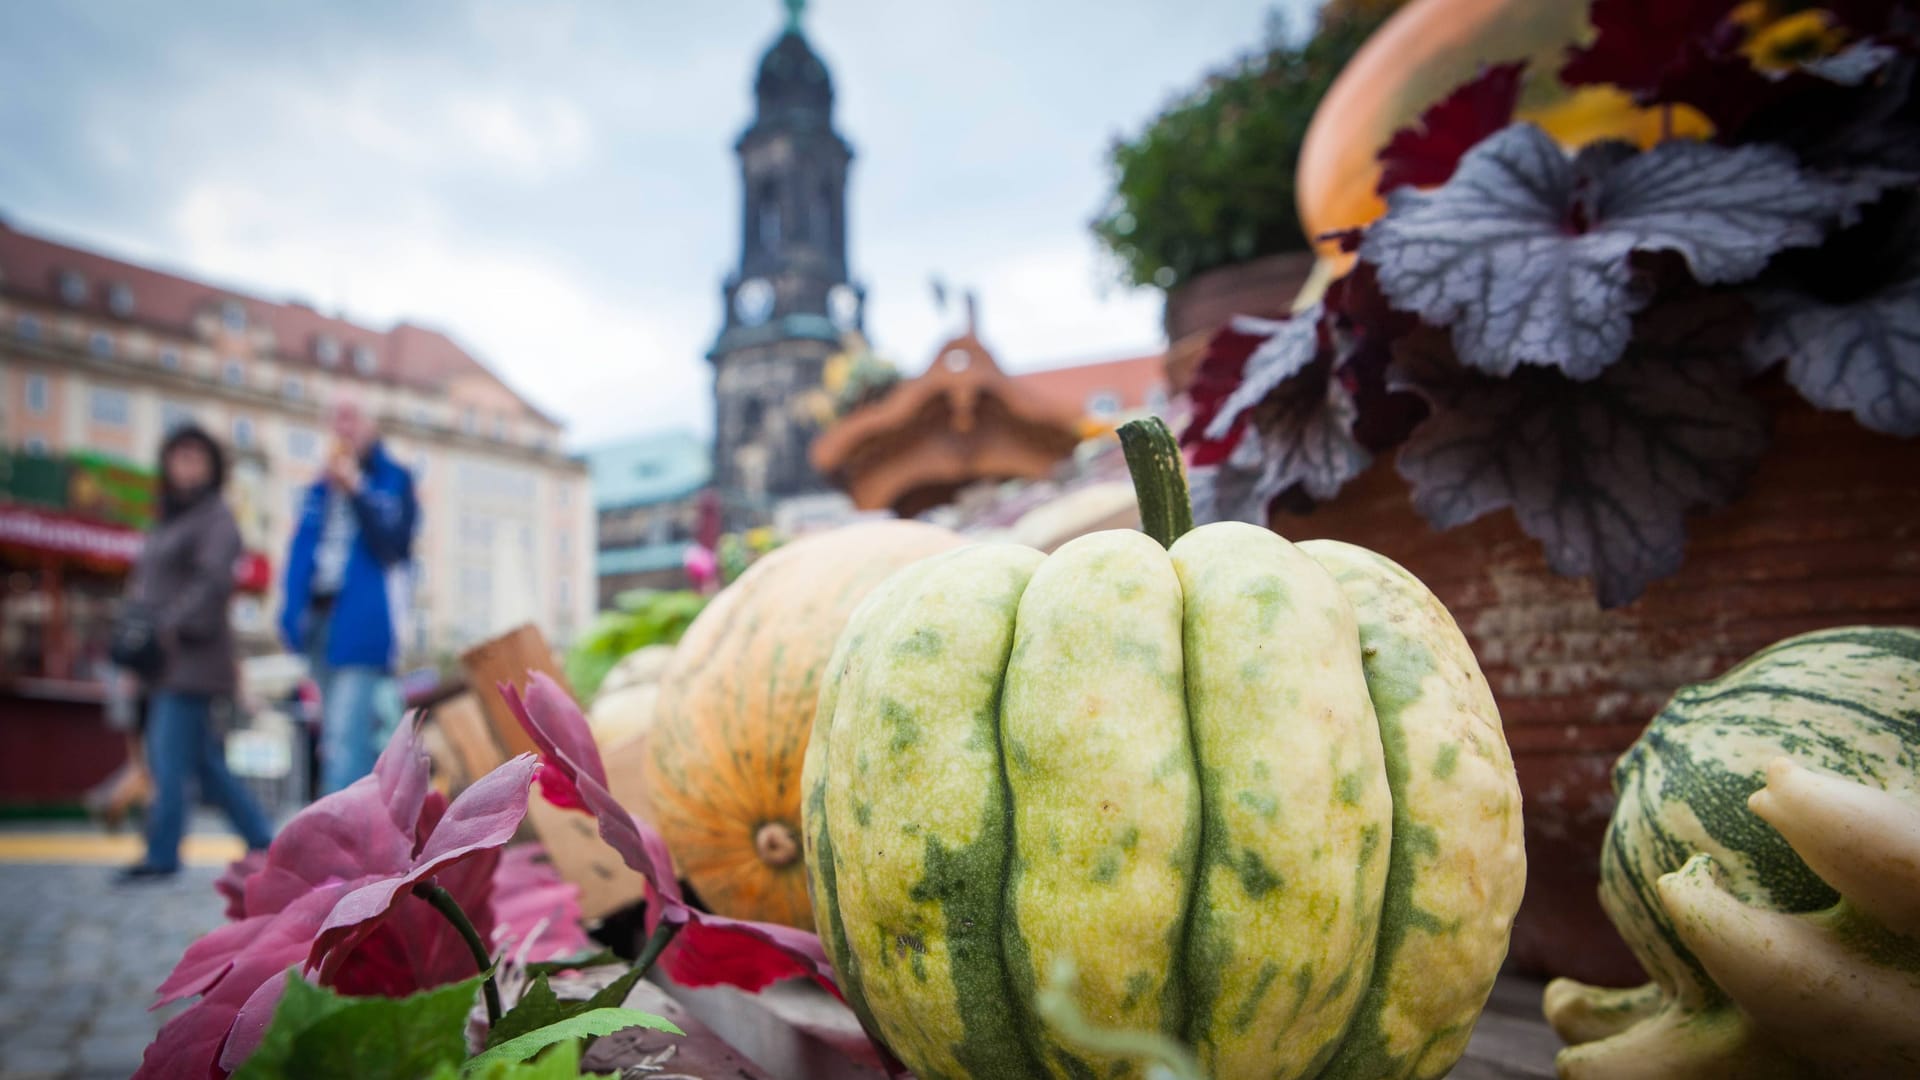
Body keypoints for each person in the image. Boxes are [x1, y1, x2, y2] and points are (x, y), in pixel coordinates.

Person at [120, 425, 275, 881]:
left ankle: (162, 854)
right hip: (161, 659)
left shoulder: (215, 518)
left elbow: (211, 584)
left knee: (169, 758)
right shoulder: (168, 518)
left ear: (211, 466)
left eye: (195, 458)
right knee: (203, 764)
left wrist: (168, 625)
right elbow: (146, 585)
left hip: (192, 660)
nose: (186, 466)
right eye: (179, 457)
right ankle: (264, 841)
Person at [280, 400, 418, 794]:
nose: (343, 427)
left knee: (345, 736)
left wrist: (357, 489)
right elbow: (299, 554)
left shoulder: (394, 479)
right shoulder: (317, 489)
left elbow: (394, 546)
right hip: (317, 622)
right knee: (332, 736)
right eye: (336, 418)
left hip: (364, 623)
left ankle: (340, 844)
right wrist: (290, 617)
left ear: (373, 426)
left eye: (352, 417)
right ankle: (350, 833)